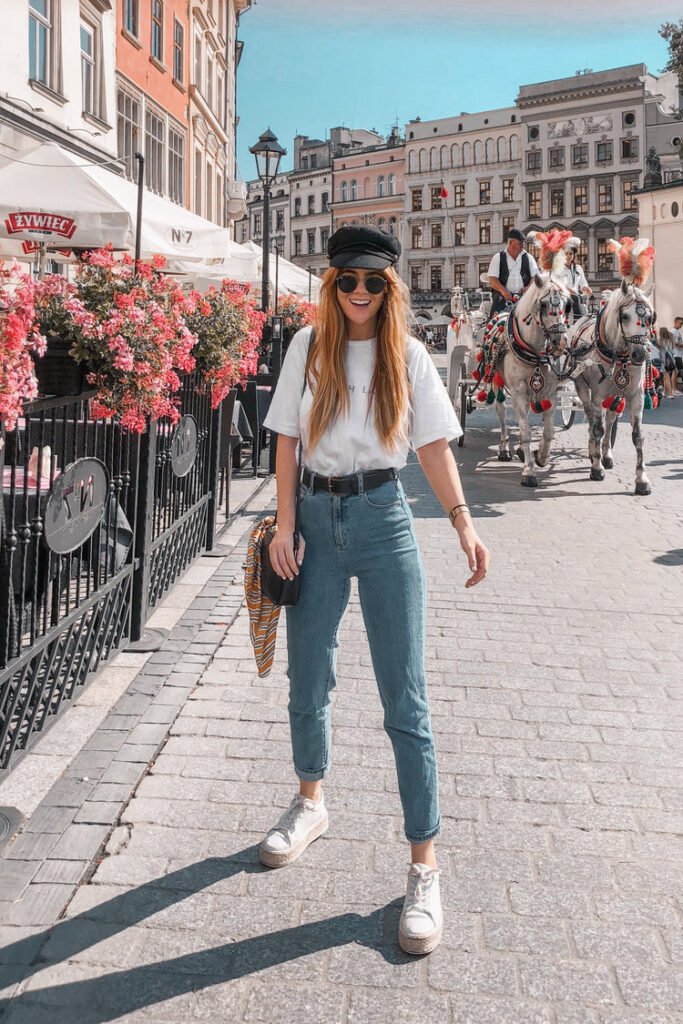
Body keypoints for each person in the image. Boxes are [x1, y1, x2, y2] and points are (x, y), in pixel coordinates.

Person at [260, 225, 490, 956]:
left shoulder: (409, 356)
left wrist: (461, 523)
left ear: (389, 288)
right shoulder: (307, 346)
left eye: (371, 282)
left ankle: (423, 866)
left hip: (385, 518)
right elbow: (287, 440)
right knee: (308, 678)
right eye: (346, 280)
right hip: (316, 522)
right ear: (331, 285)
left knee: (405, 698)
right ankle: (309, 801)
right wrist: (282, 526)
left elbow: (431, 446)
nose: (358, 292)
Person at [487, 228, 540, 317]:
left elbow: (535, 276)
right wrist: (503, 291)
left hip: (524, 297)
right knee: (495, 318)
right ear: (511, 243)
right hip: (502, 297)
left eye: (523, 243)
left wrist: (527, 288)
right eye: (520, 243)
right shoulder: (498, 257)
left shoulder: (528, 257)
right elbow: (492, 279)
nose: (523, 246)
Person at [558, 246, 592, 319]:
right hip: (562, 296)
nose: (568, 256)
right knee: (575, 298)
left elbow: (583, 283)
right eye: (566, 254)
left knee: (579, 299)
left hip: (576, 296)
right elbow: (556, 284)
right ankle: (577, 320)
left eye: (571, 254)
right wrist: (568, 290)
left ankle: (582, 319)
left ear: (574, 255)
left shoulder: (578, 268)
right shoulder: (558, 268)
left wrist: (586, 288)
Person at [658, 327, 677, 398]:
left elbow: (660, 351)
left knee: (666, 377)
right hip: (671, 361)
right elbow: (673, 351)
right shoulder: (671, 341)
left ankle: (670, 394)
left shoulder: (662, 341)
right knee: (666, 376)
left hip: (664, 362)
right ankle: (666, 393)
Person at [672, 316, 683, 391]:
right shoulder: (674, 332)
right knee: (675, 372)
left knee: (676, 371)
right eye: (680, 323)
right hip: (676, 355)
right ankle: (674, 389)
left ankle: (674, 389)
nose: (681, 325)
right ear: (675, 322)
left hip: (678, 355)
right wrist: (681, 345)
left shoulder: (677, 331)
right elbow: (673, 342)